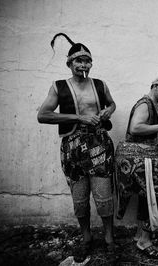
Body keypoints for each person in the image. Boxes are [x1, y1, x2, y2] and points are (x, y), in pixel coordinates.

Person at [37, 33, 116, 258]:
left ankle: (110, 239)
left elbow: (112, 103)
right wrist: (78, 118)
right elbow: (43, 115)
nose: (83, 65)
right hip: (72, 147)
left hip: (99, 144)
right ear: (69, 63)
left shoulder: (99, 84)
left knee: (103, 195)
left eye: (87, 61)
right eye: (78, 61)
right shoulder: (59, 87)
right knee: (79, 197)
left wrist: (108, 110)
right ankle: (87, 238)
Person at [115, 70, 158, 259]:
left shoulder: (153, 105)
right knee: (154, 198)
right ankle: (145, 241)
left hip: (146, 161)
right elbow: (135, 128)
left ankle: (140, 235)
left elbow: (150, 132)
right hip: (141, 161)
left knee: (147, 197)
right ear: (155, 86)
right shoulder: (145, 104)